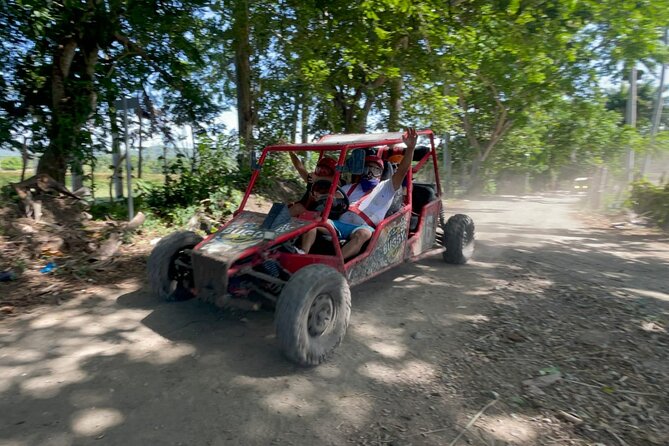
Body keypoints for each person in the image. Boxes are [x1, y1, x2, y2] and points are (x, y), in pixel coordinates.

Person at [301, 127, 418, 259]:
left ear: (381, 174)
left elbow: (402, 170)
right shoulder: (349, 188)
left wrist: (411, 148)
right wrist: (321, 197)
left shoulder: (387, 187)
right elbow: (334, 198)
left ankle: (336, 264)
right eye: (367, 169)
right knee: (313, 222)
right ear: (362, 171)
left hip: (364, 227)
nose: (370, 173)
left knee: (362, 235)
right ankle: (302, 254)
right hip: (340, 224)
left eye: (375, 170)